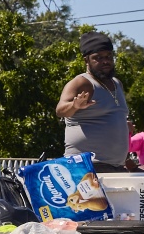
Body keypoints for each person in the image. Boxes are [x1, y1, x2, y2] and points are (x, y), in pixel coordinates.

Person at [55, 32, 136, 170]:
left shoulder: (117, 84)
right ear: (86, 60)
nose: (105, 61)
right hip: (86, 166)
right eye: (98, 58)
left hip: (116, 166)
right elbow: (60, 110)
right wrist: (74, 105)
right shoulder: (82, 83)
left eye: (108, 56)